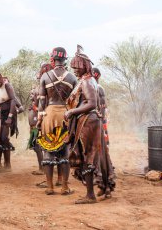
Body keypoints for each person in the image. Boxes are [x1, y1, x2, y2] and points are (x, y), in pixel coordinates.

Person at [36, 47, 77, 195]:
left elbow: (41, 102)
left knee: (48, 150)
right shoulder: (72, 78)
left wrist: (39, 120)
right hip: (65, 115)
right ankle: (65, 187)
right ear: (65, 59)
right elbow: (75, 101)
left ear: (53, 59)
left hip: (49, 114)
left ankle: (50, 187)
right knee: (64, 151)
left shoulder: (45, 76)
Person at [64, 45, 101, 204]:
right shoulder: (89, 80)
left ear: (85, 66)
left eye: (77, 67)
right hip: (87, 121)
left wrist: (72, 112)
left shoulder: (86, 82)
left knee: (87, 156)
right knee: (87, 155)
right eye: (73, 67)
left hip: (87, 122)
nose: (75, 70)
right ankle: (90, 193)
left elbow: (92, 103)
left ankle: (90, 195)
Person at [0, 72, 21, 172]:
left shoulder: (7, 85)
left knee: (4, 138)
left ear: (1, 81)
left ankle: (8, 164)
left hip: (8, 114)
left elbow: (13, 100)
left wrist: (10, 117)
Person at [92, 67, 116, 198]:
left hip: (98, 126)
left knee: (101, 156)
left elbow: (101, 110)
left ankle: (106, 186)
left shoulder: (97, 88)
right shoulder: (96, 87)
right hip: (99, 125)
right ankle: (104, 186)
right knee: (100, 155)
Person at [28, 64, 53, 176]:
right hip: (50, 117)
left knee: (38, 144)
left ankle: (42, 168)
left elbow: (40, 105)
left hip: (41, 118)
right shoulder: (53, 85)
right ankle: (48, 167)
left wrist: (35, 109)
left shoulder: (41, 88)